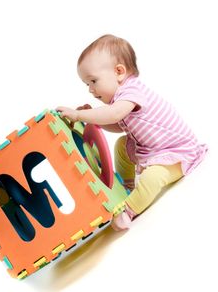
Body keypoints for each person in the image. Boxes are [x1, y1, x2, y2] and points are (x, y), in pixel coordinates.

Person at [56, 34, 207, 231]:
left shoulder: (132, 91)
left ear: (119, 71)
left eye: (93, 81)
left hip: (176, 153)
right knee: (121, 146)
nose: (91, 90)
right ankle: (128, 186)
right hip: (151, 149)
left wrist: (79, 115)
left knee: (152, 178)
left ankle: (129, 210)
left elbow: (113, 114)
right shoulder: (122, 98)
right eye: (87, 84)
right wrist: (92, 117)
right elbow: (118, 123)